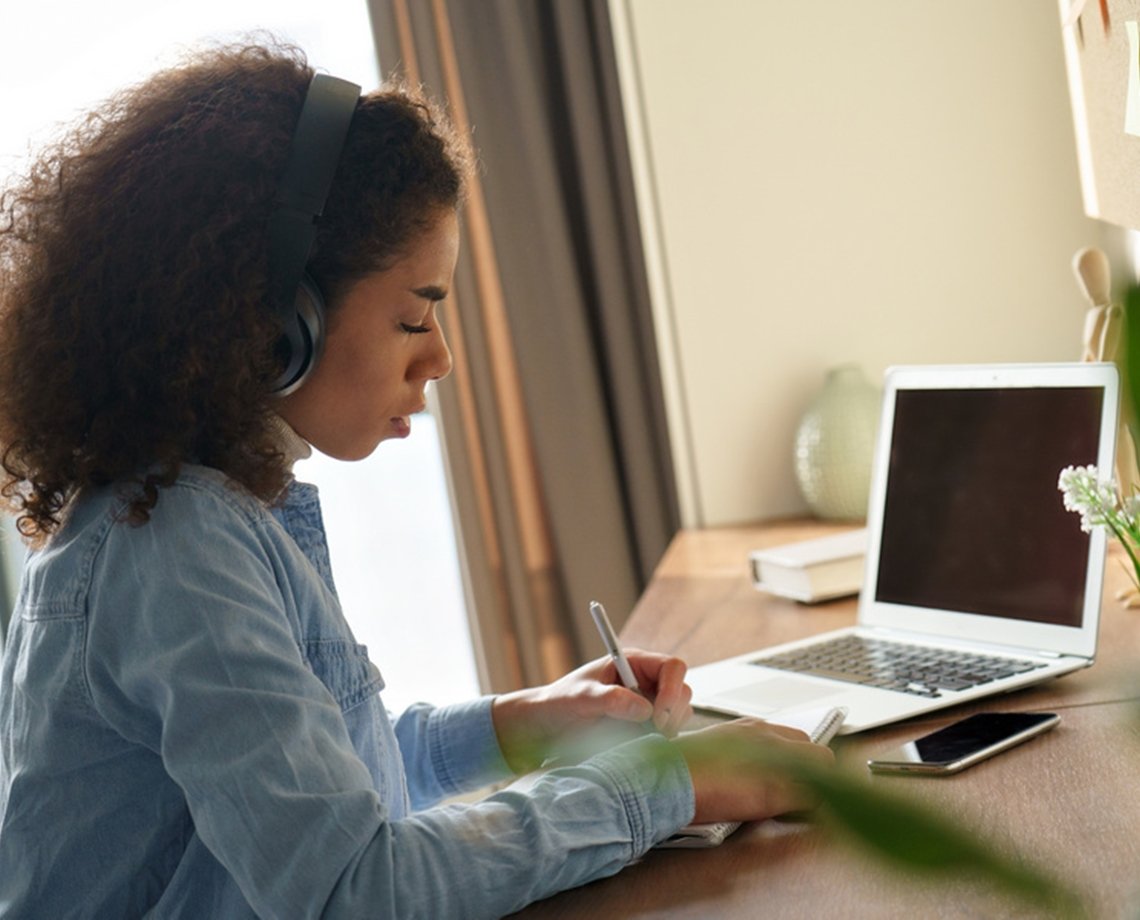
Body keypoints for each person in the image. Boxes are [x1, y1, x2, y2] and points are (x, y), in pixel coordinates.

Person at [0, 41, 834, 919]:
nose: (440, 359)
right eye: (412, 317)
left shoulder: (180, 514)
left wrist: (522, 724)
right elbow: (357, 889)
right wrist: (667, 786)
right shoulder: (176, 547)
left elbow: (309, 787)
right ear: (279, 322)